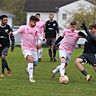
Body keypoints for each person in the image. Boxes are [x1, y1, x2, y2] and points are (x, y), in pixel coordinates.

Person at [10, 15, 40, 83]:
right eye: (34, 22)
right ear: (30, 21)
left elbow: (39, 37)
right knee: (31, 60)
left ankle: (28, 69)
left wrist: (40, 42)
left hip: (33, 49)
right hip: (26, 48)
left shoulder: (36, 29)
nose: (35, 24)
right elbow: (16, 33)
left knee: (35, 63)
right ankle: (31, 77)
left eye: (36, 23)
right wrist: (11, 33)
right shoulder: (24, 28)